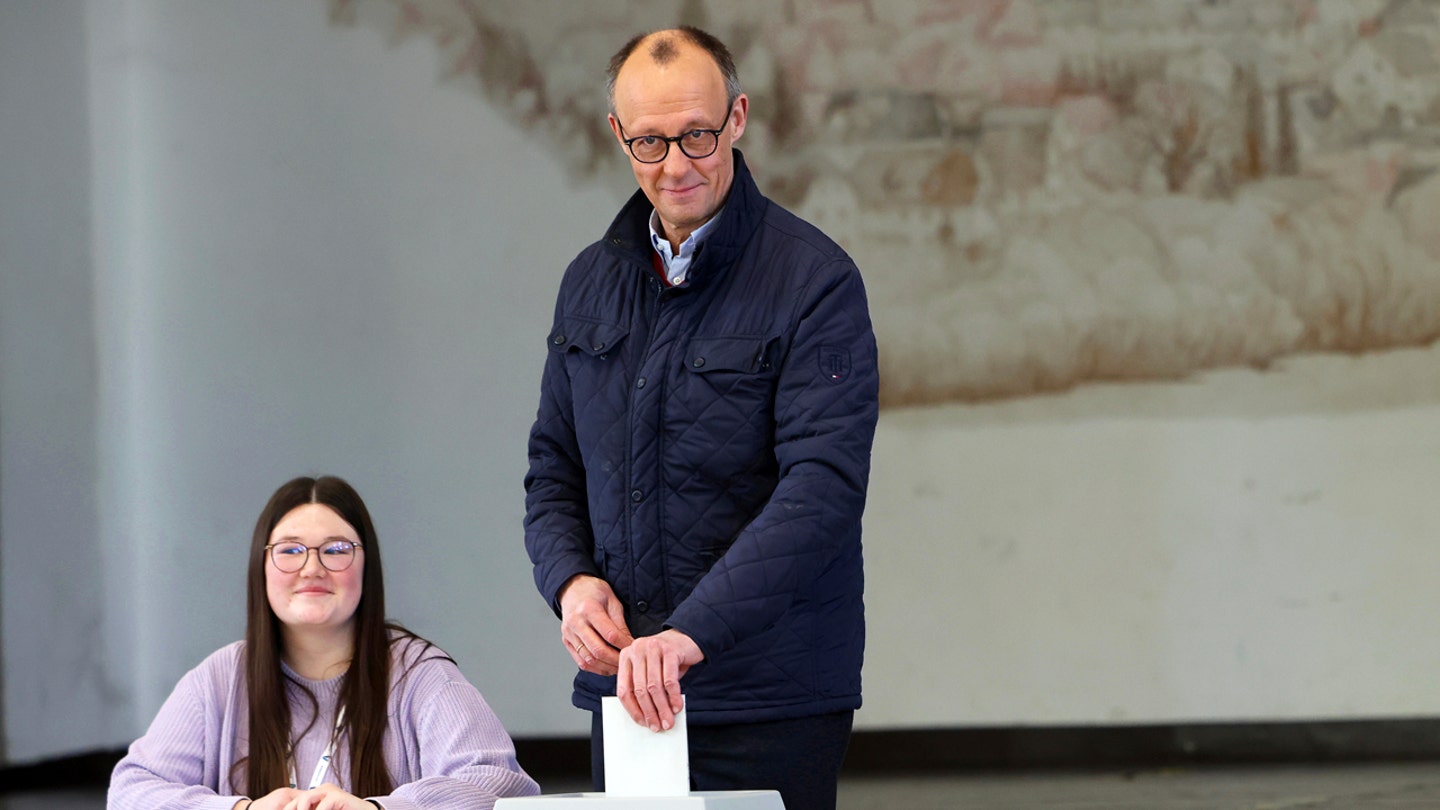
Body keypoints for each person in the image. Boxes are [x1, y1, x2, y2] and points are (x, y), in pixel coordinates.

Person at [523, 25, 879, 810]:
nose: (676, 165)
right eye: (649, 142)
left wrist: (694, 635)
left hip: (769, 693)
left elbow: (821, 489)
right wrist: (572, 584)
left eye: (697, 135)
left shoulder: (814, 280)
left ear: (739, 117)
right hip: (624, 690)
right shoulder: (589, 282)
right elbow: (553, 468)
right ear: (617, 135)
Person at [109, 475, 539, 810]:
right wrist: (241, 807)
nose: (312, 568)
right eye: (291, 550)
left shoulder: (420, 674)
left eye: (335, 550)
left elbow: (503, 787)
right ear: (262, 567)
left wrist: (379, 808)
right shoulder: (220, 678)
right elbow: (130, 792)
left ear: (366, 568)